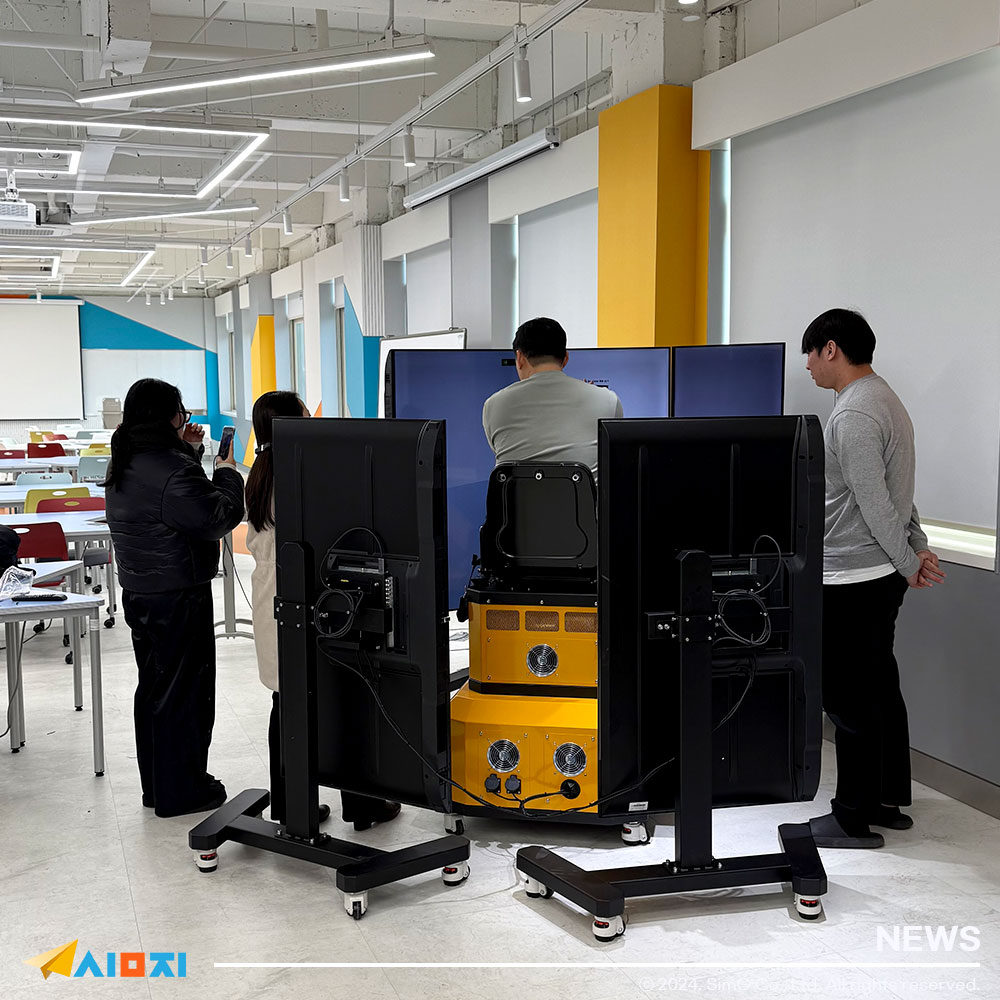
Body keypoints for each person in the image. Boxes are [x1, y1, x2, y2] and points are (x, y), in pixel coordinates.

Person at [802, 309, 945, 850]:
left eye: (811, 355)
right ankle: (886, 801)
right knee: (880, 688)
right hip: (876, 572)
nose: (810, 367)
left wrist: (911, 560)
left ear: (831, 349)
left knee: (848, 700)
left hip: (852, 578)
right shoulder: (886, 399)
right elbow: (897, 492)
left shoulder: (854, 414)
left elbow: (874, 500)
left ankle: (851, 818)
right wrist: (916, 547)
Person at [244, 390, 401, 831]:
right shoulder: (305, 475)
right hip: (314, 594)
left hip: (271, 595)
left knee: (286, 700)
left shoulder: (258, 475)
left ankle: (292, 804)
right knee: (343, 698)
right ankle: (363, 805)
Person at [105, 378, 245, 818]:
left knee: (155, 690)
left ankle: (159, 786)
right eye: (181, 412)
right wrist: (225, 470)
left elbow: (167, 498)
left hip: (141, 590)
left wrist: (186, 451)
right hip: (178, 594)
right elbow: (217, 515)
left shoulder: (125, 456)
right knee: (185, 694)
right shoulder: (168, 465)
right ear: (169, 416)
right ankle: (182, 791)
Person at [482, 317, 623, 481]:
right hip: (584, 506)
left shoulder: (493, 405)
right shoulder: (608, 401)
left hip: (517, 506)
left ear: (519, 358)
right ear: (565, 358)